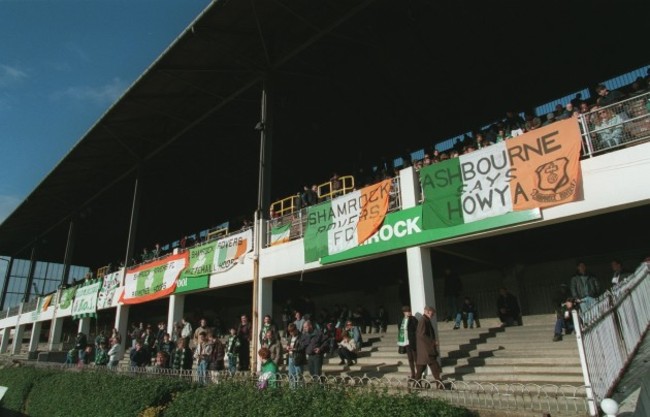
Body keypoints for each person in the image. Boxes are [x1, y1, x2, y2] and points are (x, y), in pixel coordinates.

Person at [414, 306, 442, 383]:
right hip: (426, 350)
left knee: (422, 368)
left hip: (425, 350)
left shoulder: (425, 320)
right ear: (428, 311)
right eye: (432, 313)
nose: (432, 315)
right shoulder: (423, 320)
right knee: (433, 366)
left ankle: (416, 385)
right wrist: (433, 342)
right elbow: (421, 335)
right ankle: (439, 383)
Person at [397, 305, 418, 380]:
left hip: (412, 341)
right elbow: (400, 330)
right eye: (407, 311)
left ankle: (418, 374)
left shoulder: (413, 319)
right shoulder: (401, 320)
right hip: (405, 341)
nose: (409, 312)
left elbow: (416, 330)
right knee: (410, 358)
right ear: (404, 312)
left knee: (416, 358)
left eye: (409, 311)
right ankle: (413, 373)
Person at [285, 323, 304, 388]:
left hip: (298, 357)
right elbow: (288, 344)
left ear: (295, 330)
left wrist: (294, 349)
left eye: (292, 331)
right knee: (291, 375)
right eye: (290, 332)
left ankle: (299, 390)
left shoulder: (301, 336)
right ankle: (292, 389)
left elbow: (303, 347)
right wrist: (287, 347)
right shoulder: (290, 337)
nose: (291, 333)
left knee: (298, 375)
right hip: (290, 357)